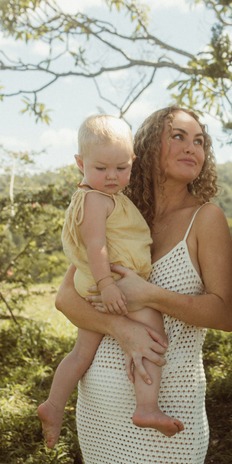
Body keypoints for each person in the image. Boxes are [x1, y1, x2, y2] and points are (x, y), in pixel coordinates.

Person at [54, 106, 232, 464]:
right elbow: (66, 298)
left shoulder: (206, 218)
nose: (192, 148)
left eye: (199, 141)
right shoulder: (114, 209)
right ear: (148, 146)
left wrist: (149, 294)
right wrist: (121, 328)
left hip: (170, 410)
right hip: (99, 414)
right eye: (178, 136)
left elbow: (225, 314)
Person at [37, 115, 184, 449]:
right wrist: (106, 285)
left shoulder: (106, 197)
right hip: (111, 286)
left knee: (81, 353)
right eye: (101, 168)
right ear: (80, 164)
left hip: (103, 287)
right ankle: (146, 406)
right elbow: (95, 245)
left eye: (121, 168)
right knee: (153, 332)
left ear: (132, 162)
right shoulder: (95, 199)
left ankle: (54, 405)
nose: (112, 177)